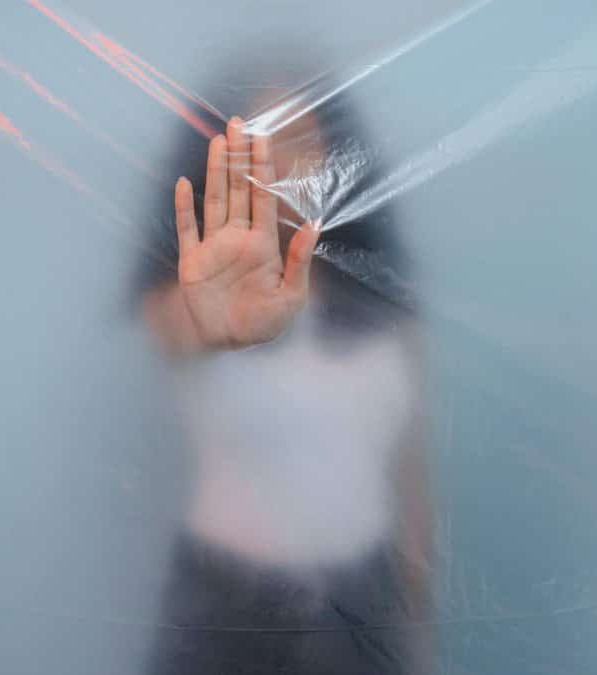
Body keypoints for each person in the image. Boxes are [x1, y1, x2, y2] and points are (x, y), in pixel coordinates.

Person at [135, 82, 438, 674]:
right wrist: (218, 326)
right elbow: (177, 334)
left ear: (338, 158)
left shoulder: (389, 311)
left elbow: (412, 475)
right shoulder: (190, 295)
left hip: (364, 598)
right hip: (226, 604)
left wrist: (419, 623)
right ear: (220, 163)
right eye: (256, 142)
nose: (278, 162)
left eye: (301, 140)